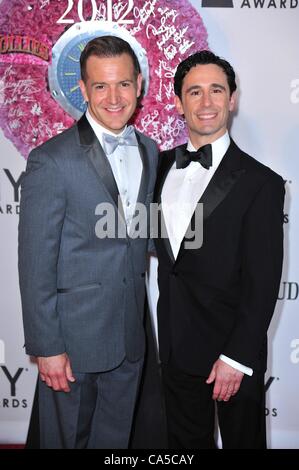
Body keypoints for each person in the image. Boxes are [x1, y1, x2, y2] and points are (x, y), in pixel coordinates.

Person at [18, 35, 158, 449]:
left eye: (123, 85)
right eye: (100, 86)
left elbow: (140, 235)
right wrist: (47, 347)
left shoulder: (150, 151)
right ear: (82, 89)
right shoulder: (51, 159)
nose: (114, 98)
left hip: (131, 337)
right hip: (73, 345)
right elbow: (34, 264)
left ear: (139, 85)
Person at [153, 50, 285, 449]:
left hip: (232, 356)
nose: (206, 103)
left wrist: (236, 357)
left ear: (232, 99)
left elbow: (263, 281)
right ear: (178, 102)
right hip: (175, 351)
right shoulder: (157, 169)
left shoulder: (262, 183)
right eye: (194, 92)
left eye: (216, 90)